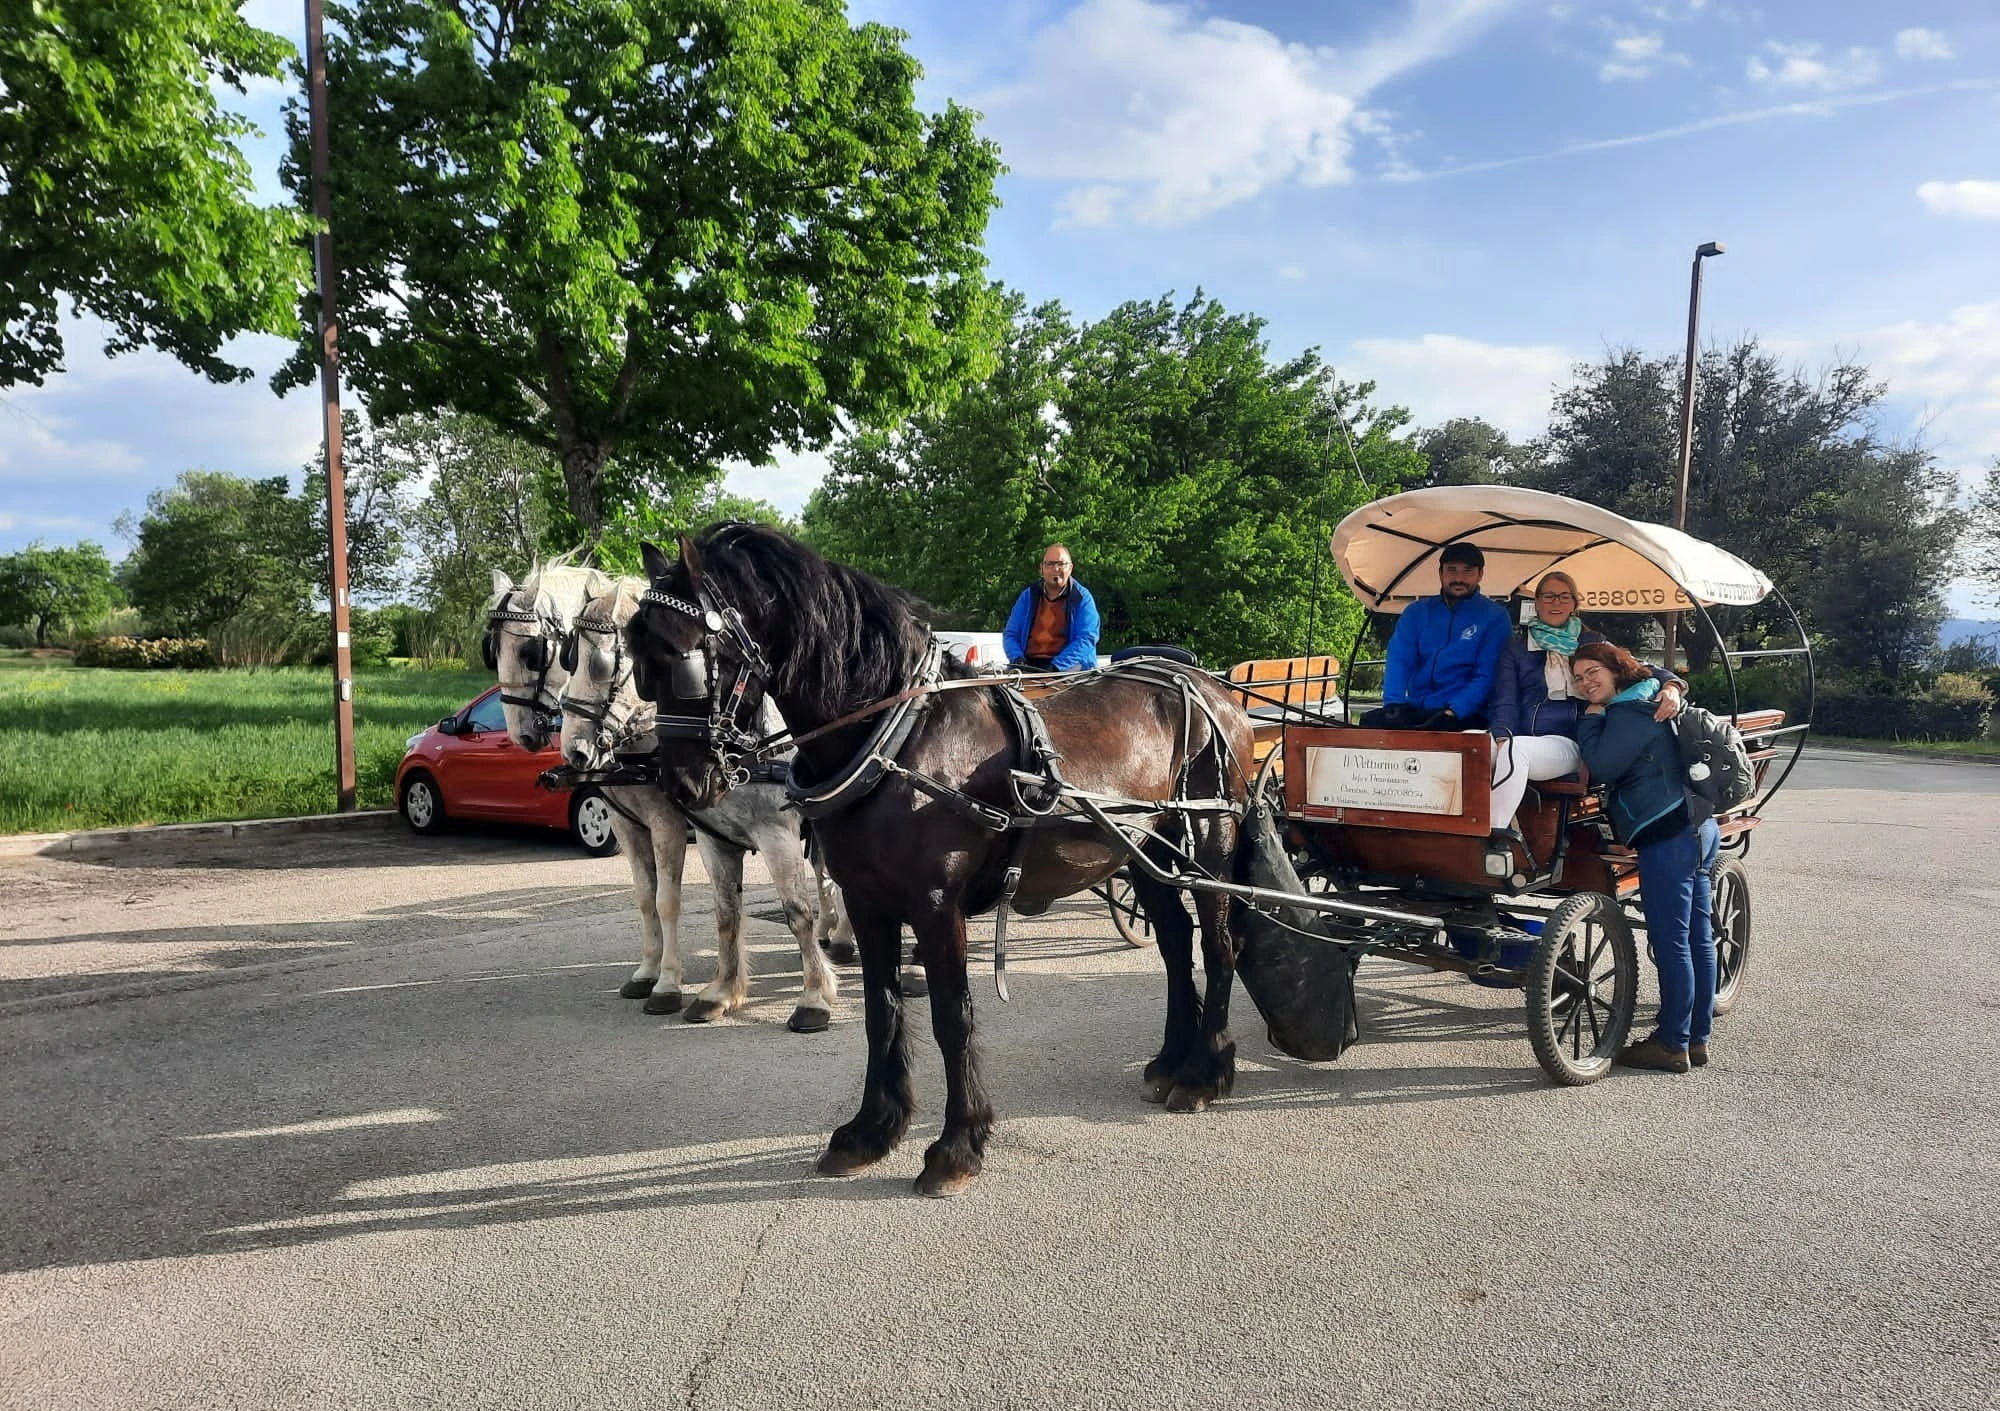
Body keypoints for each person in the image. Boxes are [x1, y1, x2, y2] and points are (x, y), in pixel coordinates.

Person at [1571, 641, 1720, 1075]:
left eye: (1592, 672)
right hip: (1699, 825)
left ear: (1616, 668)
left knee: (1673, 939)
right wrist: (1671, 682)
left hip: (1668, 830)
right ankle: (1696, 1037)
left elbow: (1601, 765)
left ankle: (1672, 1043)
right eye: (1579, 678)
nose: (1586, 682)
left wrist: (1590, 720)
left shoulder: (1626, 713)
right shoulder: (1650, 690)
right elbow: (1655, 671)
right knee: (1697, 935)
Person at [1485, 571, 1685, 840]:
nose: (1555, 603)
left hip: (1571, 739)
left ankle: (1495, 834)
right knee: (1469, 746)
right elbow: (1505, 700)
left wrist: (1672, 686)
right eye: (1548, 596)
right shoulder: (1517, 649)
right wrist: (1500, 735)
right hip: (1521, 736)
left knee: (1514, 750)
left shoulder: (1592, 642)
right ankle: (1446, 826)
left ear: (1574, 604)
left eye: (1563, 597)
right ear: (1537, 602)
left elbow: (1639, 668)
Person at [1363, 542, 1510, 730]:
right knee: (1367, 728)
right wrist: (1393, 703)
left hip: (1467, 713)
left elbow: (1487, 674)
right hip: (1418, 708)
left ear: (1480, 574)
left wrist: (1455, 710)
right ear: (1440, 573)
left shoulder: (1494, 617)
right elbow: (1399, 660)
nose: (1459, 578)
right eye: (1452, 570)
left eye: (1467, 571)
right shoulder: (1416, 612)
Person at [1002, 543, 1100, 672]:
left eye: (1061, 564)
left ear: (1070, 568)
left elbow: (1086, 638)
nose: (1055, 569)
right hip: (1028, 664)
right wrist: (1017, 659)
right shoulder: (1028, 596)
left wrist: (1056, 667)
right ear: (1042, 568)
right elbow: (1011, 634)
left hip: (1069, 666)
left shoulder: (1082, 598)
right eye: (1050, 564)